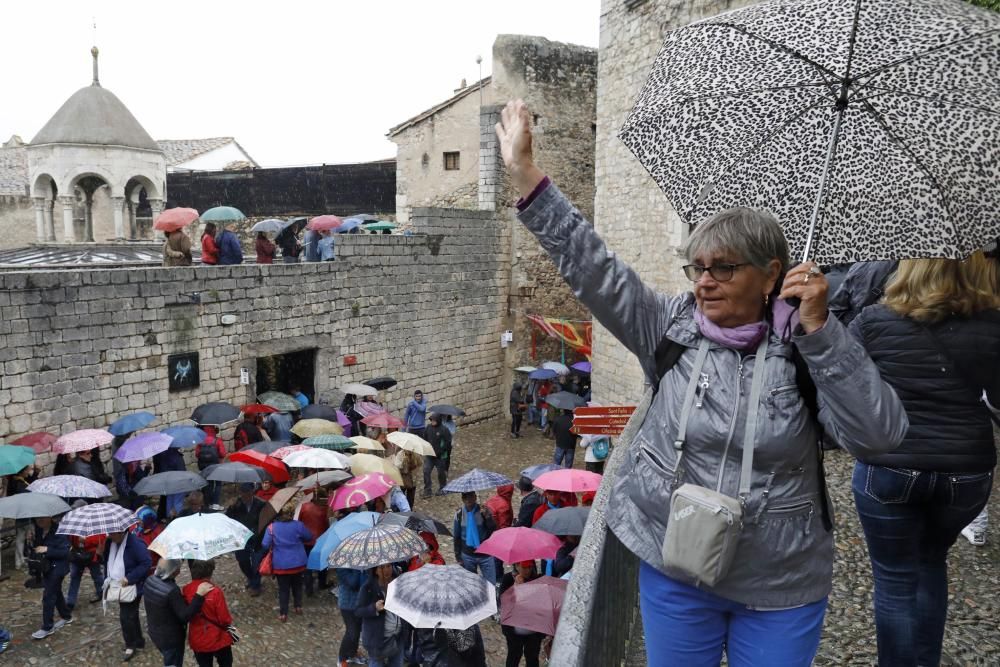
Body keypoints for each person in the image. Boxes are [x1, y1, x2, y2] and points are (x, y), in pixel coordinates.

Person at [494, 99, 908, 666]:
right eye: (698, 268)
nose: (705, 282)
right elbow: (592, 267)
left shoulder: (811, 343)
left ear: (770, 274)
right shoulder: (668, 325)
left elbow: (879, 435)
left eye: (724, 268)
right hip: (676, 559)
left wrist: (821, 332)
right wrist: (525, 176)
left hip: (778, 578)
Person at [848, 253, 1000, 666]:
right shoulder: (993, 326)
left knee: (895, 581)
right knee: (931, 562)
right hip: (965, 474)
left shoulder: (873, 323)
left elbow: (845, 387)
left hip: (890, 466)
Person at [144, 558, 212, 667]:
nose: (179, 571)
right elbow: (185, 615)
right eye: (178, 569)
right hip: (171, 639)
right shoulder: (172, 590)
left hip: (155, 632)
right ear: (172, 571)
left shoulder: (149, 580)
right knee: (173, 663)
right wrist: (199, 595)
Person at [104, 528, 153, 661]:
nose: (110, 535)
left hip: (132, 586)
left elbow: (147, 563)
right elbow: (107, 561)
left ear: (121, 532)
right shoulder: (110, 543)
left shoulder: (136, 544)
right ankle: (138, 641)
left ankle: (130, 645)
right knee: (131, 614)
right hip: (118, 585)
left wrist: (130, 578)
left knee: (125, 616)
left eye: (112, 533)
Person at [261, 505, 312, 621]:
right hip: (298, 562)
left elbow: (265, 545)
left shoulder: (272, 528)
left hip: (281, 564)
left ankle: (283, 613)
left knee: (283, 588)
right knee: (297, 585)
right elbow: (309, 537)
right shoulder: (298, 525)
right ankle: (298, 606)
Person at [184, 559, 236, 667]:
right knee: (226, 662)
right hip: (218, 638)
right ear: (210, 572)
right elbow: (224, 618)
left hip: (198, 637)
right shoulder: (216, 591)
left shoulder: (186, 589)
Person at [29, 515, 72, 640]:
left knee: (48, 596)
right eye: (37, 518)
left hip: (58, 568)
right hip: (47, 567)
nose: (39, 520)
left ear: (50, 517)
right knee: (56, 592)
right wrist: (32, 542)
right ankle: (67, 616)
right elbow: (38, 548)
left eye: (42, 518)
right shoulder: (38, 530)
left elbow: (65, 552)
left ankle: (47, 627)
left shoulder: (60, 530)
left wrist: (47, 549)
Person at [356, 563, 405, 667]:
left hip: (398, 636)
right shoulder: (368, 587)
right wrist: (374, 608)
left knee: (397, 663)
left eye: (388, 566)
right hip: (377, 639)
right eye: (382, 567)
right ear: (375, 570)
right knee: (376, 663)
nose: (386, 570)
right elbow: (358, 611)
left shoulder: (398, 582)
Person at [500, 561, 545, 667]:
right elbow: (503, 602)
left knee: (532, 658)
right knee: (513, 656)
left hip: (533, 631)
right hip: (513, 630)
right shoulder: (508, 579)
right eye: (524, 567)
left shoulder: (538, 579)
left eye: (530, 567)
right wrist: (515, 588)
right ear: (516, 565)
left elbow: (542, 604)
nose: (528, 570)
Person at [226, 483, 266, 596]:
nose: (246, 497)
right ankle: (252, 579)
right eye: (243, 494)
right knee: (243, 562)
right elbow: (227, 520)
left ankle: (255, 585)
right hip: (241, 539)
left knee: (257, 563)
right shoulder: (235, 505)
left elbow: (266, 520)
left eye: (248, 494)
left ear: (252, 492)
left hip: (257, 539)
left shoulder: (261, 504)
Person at [452, 492, 497, 587]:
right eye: (465, 497)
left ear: (475, 497)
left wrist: (487, 517)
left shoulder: (483, 511)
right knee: (470, 585)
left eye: (471, 496)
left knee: (491, 584)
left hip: (485, 554)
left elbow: (493, 529)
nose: (468, 500)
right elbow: (456, 536)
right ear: (462, 499)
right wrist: (458, 557)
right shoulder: (459, 514)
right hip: (468, 555)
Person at [66, 518, 105, 611]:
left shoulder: (95, 524)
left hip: (91, 555)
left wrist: (86, 540)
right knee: (75, 577)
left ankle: (101, 593)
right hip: (77, 555)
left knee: (96, 576)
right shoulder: (73, 524)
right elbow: (69, 539)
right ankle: (70, 601)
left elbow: (101, 538)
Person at [297, 493, 330, 596]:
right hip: (320, 540)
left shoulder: (304, 507)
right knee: (322, 563)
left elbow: (299, 522)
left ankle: (308, 589)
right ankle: (322, 583)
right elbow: (327, 524)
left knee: (307, 567)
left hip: (306, 540)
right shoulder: (324, 509)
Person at [8, 464, 38, 570]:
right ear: (22, 471)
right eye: (27, 470)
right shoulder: (20, 483)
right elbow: (26, 497)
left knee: (20, 538)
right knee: (29, 538)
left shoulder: (15, 481)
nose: (28, 472)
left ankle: (19, 561)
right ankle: (29, 559)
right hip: (26, 514)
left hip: (20, 514)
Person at [335, 565, 366, 666]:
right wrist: (358, 568)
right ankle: (342, 658)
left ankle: (352, 653)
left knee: (357, 631)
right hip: (347, 605)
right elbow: (353, 583)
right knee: (351, 632)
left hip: (359, 603)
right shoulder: (342, 567)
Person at [422, 415, 451, 498]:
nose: (432, 422)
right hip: (429, 456)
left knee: (441, 473)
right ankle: (427, 490)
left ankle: (443, 488)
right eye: (431, 420)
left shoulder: (444, 430)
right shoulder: (428, 428)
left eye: (434, 420)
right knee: (426, 471)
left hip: (440, 457)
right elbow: (425, 438)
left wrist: (441, 451)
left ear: (438, 420)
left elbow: (448, 442)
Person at [153, 446, 187, 517]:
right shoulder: (175, 454)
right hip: (178, 480)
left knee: (169, 500)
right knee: (178, 501)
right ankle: (179, 518)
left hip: (167, 480)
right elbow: (181, 469)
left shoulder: (160, 454)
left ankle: (170, 518)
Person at [197, 426, 226, 507]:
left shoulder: (200, 441)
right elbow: (222, 453)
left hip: (204, 467)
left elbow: (197, 454)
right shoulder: (217, 440)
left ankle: (208, 504)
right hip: (216, 466)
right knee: (218, 484)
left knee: (208, 484)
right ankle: (215, 503)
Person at [134, 506, 164, 571]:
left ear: (147, 520)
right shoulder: (138, 529)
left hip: (153, 569)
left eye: (139, 520)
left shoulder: (158, 534)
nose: (137, 522)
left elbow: (162, 554)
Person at [392, 442, 421, 509]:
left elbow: (420, 463)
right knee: (401, 496)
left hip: (412, 479)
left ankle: (409, 510)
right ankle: (400, 510)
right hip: (403, 479)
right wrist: (403, 462)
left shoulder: (416, 454)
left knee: (411, 497)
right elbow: (397, 466)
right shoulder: (400, 454)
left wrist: (414, 464)